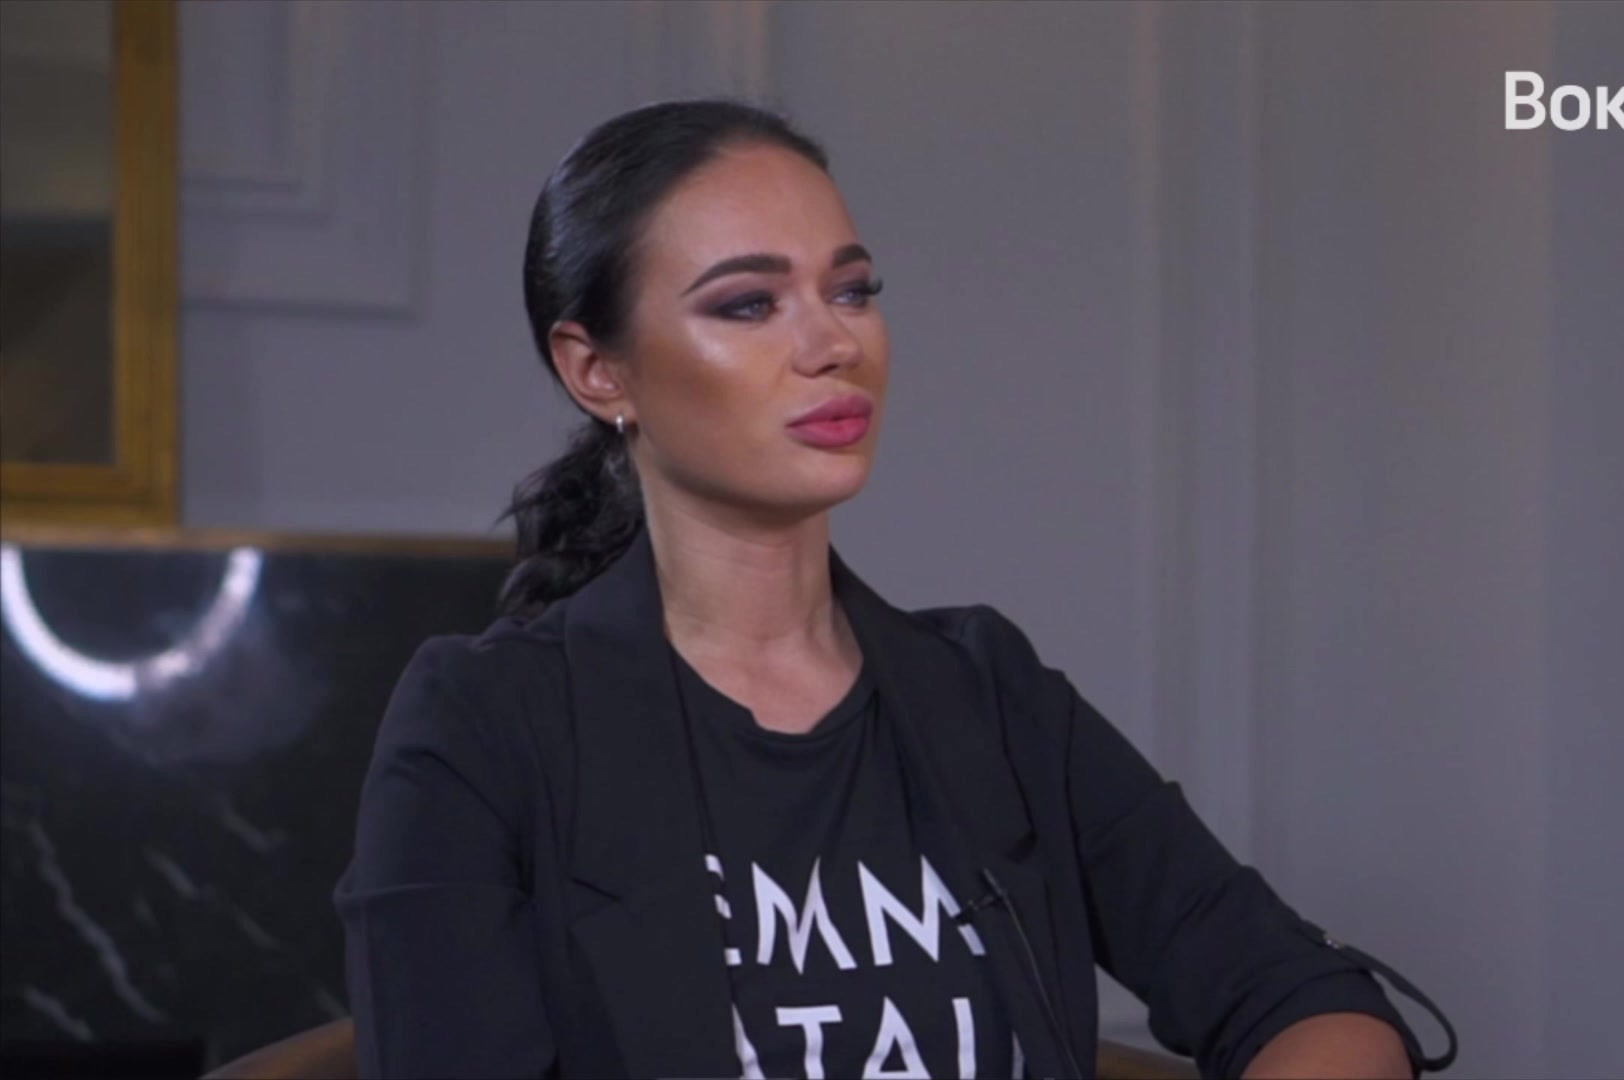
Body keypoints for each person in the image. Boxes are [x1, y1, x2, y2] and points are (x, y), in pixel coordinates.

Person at [333, 99, 1453, 1080]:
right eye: (748, 304)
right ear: (597, 370)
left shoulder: (988, 694)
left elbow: (1313, 1005)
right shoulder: (486, 725)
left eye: (852, 290)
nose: (834, 342)